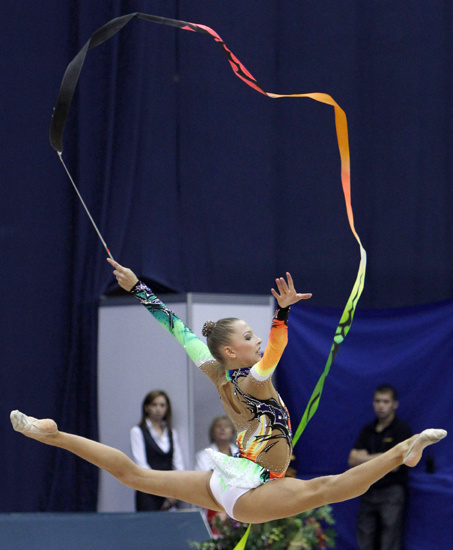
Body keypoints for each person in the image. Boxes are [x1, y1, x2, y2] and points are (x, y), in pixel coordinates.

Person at [9, 259, 447, 525]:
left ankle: (54, 435)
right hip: (253, 489)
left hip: (231, 480)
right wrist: (282, 316)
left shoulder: (215, 371)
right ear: (231, 350)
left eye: (256, 334)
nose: (256, 340)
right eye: (249, 336)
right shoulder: (255, 379)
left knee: (135, 477)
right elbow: (274, 350)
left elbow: (176, 327)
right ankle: (402, 451)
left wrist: (138, 288)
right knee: (325, 490)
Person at [348, 385, 413, 550]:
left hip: (392, 493)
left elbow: (395, 466)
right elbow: (352, 459)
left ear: (394, 404)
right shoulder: (367, 430)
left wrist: (367, 459)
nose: (381, 405)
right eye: (377, 401)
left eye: (385, 401)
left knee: (389, 541)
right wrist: (384, 458)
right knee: (364, 538)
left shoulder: (402, 431)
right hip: (367, 490)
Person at [131, 389, 184, 511]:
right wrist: (162, 490)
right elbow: (142, 466)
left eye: (162, 405)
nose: (158, 409)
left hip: (170, 493)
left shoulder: (171, 433)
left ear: (167, 409)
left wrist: (175, 492)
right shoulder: (138, 431)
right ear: (146, 408)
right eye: (154, 405)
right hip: (147, 492)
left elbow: (178, 465)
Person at [195, 415, 239, 532]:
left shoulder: (241, 456)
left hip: (237, 506)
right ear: (212, 432)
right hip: (211, 506)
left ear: (232, 432)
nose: (222, 429)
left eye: (226, 426)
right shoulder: (203, 456)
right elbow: (200, 484)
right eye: (218, 426)